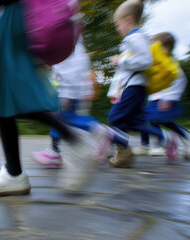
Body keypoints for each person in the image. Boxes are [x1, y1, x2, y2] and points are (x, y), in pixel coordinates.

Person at [0, 0, 97, 196]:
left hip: (11, 17)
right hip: (20, 19)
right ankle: (16, 172)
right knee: (10, 95)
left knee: (1, 93)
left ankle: (73, 140)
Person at [32, 38, 129, 168]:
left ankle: (108, 134)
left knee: (68, 118)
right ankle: (54, 151)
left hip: (67, 91)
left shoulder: (66, 41)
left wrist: (67, 93)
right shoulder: (72, 41)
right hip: (67, 90)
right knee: (60, 118)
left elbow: (70, 69)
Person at [108, 0, 178, 168]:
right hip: (136, 87)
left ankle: (124, 149)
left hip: (135, 87)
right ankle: (164, 138)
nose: (118, 29)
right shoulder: (138, 38)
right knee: (132, 122)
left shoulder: (134, 37)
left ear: (128, 19)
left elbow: (145, 61)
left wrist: (121, 60)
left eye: (117, 24)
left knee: (115, 117)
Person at [133, 32, 190, 159]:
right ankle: (152, 144)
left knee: (158, 120)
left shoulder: (170, 62)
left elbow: (180, 81)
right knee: (156, 120)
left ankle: (163, 144)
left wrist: (169, 98)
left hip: (164, 99)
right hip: (155, 98)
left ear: (166, 48)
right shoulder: (157, 62)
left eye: (155, 46)